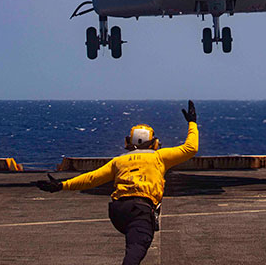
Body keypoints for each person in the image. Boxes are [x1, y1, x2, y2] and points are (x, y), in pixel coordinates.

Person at [37, 100, 198, 265]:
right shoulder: (159, 157)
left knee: (134, 243)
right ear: (155, 143)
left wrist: (61, 185)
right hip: (140, 209)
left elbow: (91, 178)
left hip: (118, 212)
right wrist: (192, 123)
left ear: (128, 142)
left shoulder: (119, 161)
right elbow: (191, 148)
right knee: (136, 249)